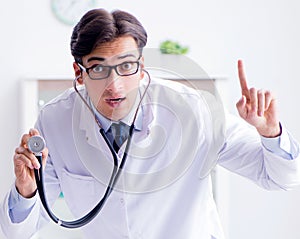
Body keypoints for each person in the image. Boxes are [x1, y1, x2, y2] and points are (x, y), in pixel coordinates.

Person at [1, 8, 300, 239]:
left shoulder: (195, 110)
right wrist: (25, 189)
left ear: (142, 67)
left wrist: (268, 132)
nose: (114, 85)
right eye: (98, 69)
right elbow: (18, 231)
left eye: (126, 66)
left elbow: (280, 178)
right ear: (79, 73)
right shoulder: (55, 120)